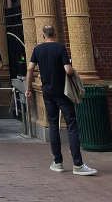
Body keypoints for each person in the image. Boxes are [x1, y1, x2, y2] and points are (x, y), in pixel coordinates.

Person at [26, 25, 97, 176]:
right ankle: (77, 164)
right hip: (62, 93)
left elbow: (30, 69)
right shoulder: (60, 48)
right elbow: (68, 70)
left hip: (47, 92)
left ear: (43, 35)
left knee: (53, 125)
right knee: (71, 124)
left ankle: (57, 162)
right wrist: (73, 71)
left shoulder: (37, 50)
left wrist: (28, 88)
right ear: (55, 33)